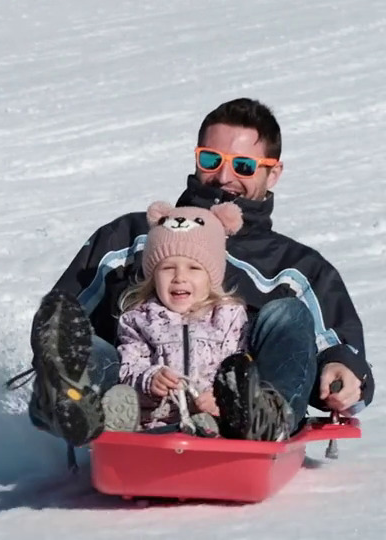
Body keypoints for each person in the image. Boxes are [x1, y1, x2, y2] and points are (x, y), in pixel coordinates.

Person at [18, 97, 374, 448]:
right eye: (210, 159)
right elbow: (64, 318)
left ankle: (264, 417)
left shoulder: (296, 269)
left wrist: (342, 372)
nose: (223, 176)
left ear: (273, 172)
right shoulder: (132, 236)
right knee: (81, 346)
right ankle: (69, 402)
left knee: (287, 314)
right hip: (132, 409)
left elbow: (342, 353)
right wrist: (61, 356)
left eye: (244, 167)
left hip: (230, 415)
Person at [101, 200, 247, 435]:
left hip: (212, 414)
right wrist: (149, 379)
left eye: (194, 268)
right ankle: (121, 432)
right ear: (153, 276)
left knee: (213, 420)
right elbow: (129, 366)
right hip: (157, 421)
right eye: (168, 268)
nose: (179, 277)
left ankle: (208, 431)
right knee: (124, 397)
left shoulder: (229, 316)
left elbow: (238, 364)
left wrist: (223, 395)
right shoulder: (139, 319)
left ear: (212, 277)